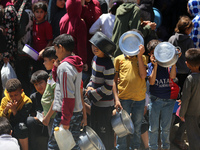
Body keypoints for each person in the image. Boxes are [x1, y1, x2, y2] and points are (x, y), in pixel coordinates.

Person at [48, 34, 84, 150]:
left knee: (54, 146)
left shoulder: (65, 67)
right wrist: (55, 67)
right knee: (72, 145)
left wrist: (65, 120)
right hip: (75, 112)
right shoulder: (74, 63)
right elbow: (58, 81)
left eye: (56, 49)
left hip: (67, 113)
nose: (56, 52)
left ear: (61, 47)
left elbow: (67, 96)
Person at [113, 30, 147, 150]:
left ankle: (135, 147)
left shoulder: (143, 58)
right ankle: (120, 147)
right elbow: (114, 81)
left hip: (139, 99)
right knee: (121, 127)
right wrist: (116, 99)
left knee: (137, 127)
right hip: (123, 98)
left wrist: (139, 56)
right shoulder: (118, 59)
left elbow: (143, 76)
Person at [85, 32, 120, 150]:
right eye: (93, 45)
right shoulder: (95, 59)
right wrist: (89, 86)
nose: (95, 49)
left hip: (104, 105)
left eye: (98, 47)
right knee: (95, 132)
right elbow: (92, 77)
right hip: (95, 103)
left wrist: (91, 93)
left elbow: (108, 87)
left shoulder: (108, 64)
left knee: (105, 134)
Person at [147, 39, 180, 150]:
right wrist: (155, 66)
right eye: (153, 53)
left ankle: (166, 147)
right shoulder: (150, 66)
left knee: (166, 128)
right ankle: (153, 148)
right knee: (153, 128)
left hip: (168, 101)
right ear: (150, 55)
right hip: (155, 100)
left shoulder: (168, 65)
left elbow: (173, 77)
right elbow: (151, 82)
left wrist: (174, 62)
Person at [168, 15, 194, 150]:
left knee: (172, 103)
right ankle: (178, 137)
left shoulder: (172, 39)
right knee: (184, 105)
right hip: (185, 76)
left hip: (172, 75)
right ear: (187, 29)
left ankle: (166, 134)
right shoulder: (189, 41)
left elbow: (166, 54)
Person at [0, 79, 32, 150]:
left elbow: (22, 119)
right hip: (7, 127)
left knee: (21, 127)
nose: (14, 98)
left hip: (20, 126)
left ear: (21, 91)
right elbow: (1, 119)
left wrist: (14, 111)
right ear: (8, 93)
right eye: (11, 96)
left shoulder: (27, 101)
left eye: (16, 95)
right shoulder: (5, 100)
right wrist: (6, 110)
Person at [179, 48, 200, 150]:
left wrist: (182, 113)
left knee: (193, 137)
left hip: (191, 113)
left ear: (187, 63)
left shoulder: (190, 79)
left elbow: (186, 98)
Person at [60, 0, 88, 71]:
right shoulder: (79, 23)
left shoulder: (63, 19)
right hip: (76, 59)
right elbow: (81, 45)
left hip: (64, 56)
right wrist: (83, 62)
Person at [27, 70, 49, 150]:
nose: (38, 86)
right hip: (40, 124)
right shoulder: (33, 97)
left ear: (47, 81)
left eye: (40, 83)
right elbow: (31, 114)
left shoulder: (53, 94)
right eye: (36, 84)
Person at [32, 1, 53, 72]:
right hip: (34, 56)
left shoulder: (47, 25)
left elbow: (50, 41)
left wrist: (43, 52)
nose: (39, 14)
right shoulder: (33, 23)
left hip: (43, 57)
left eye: (41, 12)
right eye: (37, 12)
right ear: (34, 12)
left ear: (45, 13)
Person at [41, 46, 57, 136]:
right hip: (50, 116)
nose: (43, 63)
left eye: (45, 60)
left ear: (53, 61)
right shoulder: (51, 74)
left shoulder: (55, 76)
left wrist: (47, 117)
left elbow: (56, 99)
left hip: (53, 117)